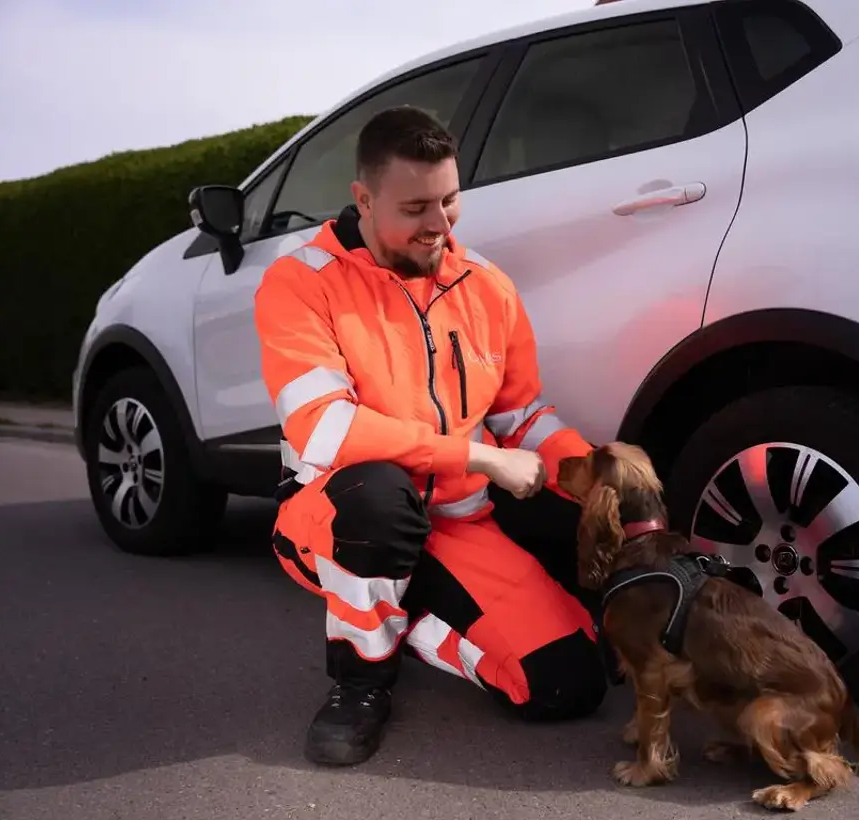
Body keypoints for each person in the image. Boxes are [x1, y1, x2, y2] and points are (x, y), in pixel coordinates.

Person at [253, 105, 608, 767]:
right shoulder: (300, 283)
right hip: (338, 511)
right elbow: (325, 429)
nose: (441, 226)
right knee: (378, 500)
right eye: (416, 208)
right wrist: (474, 456)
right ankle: (360, 679)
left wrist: (597, 475)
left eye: (450, 201)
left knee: (570, 684)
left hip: (459, 520)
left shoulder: (487, 285)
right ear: (363, 199)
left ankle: (407, 609)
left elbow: (523, 416)